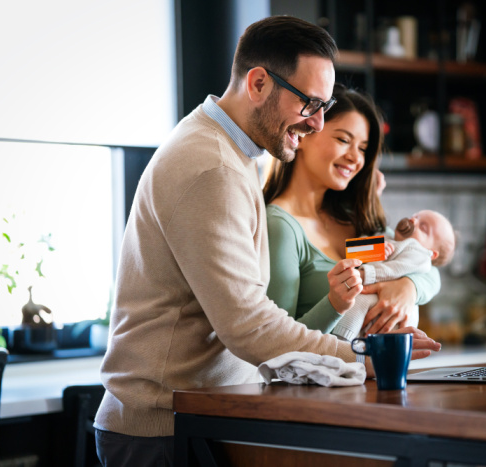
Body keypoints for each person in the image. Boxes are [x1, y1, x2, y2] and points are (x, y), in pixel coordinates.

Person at [94, 16, 440, 467]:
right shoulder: (212, 166)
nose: (317, 122)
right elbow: (249, 325)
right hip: (163, 430)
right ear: (258, 83)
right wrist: (361, 355)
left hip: (193, 417)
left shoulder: (231, 153)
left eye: (325, 106)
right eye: (310, 104)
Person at [264, 84, 443, 340]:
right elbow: (276, 341)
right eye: (343, 140)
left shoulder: (353, 217)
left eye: (362, 148)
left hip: (372, 377)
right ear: (302, 134)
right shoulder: (281, 227)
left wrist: (409, 287)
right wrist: (335, 304)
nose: (355, 158)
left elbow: (427, 264)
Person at [332, 209, 456, 341]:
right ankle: (341, 343)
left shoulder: (419, 254)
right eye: (415, 217)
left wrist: (364, 274)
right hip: (375, 300)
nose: (413, 221)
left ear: (431, 253)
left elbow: (392, 270)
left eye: (423, 227)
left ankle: (341, 340)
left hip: (391, 310)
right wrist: (375, 247)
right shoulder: (387, 237)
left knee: (359, 302)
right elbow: (351, 251)